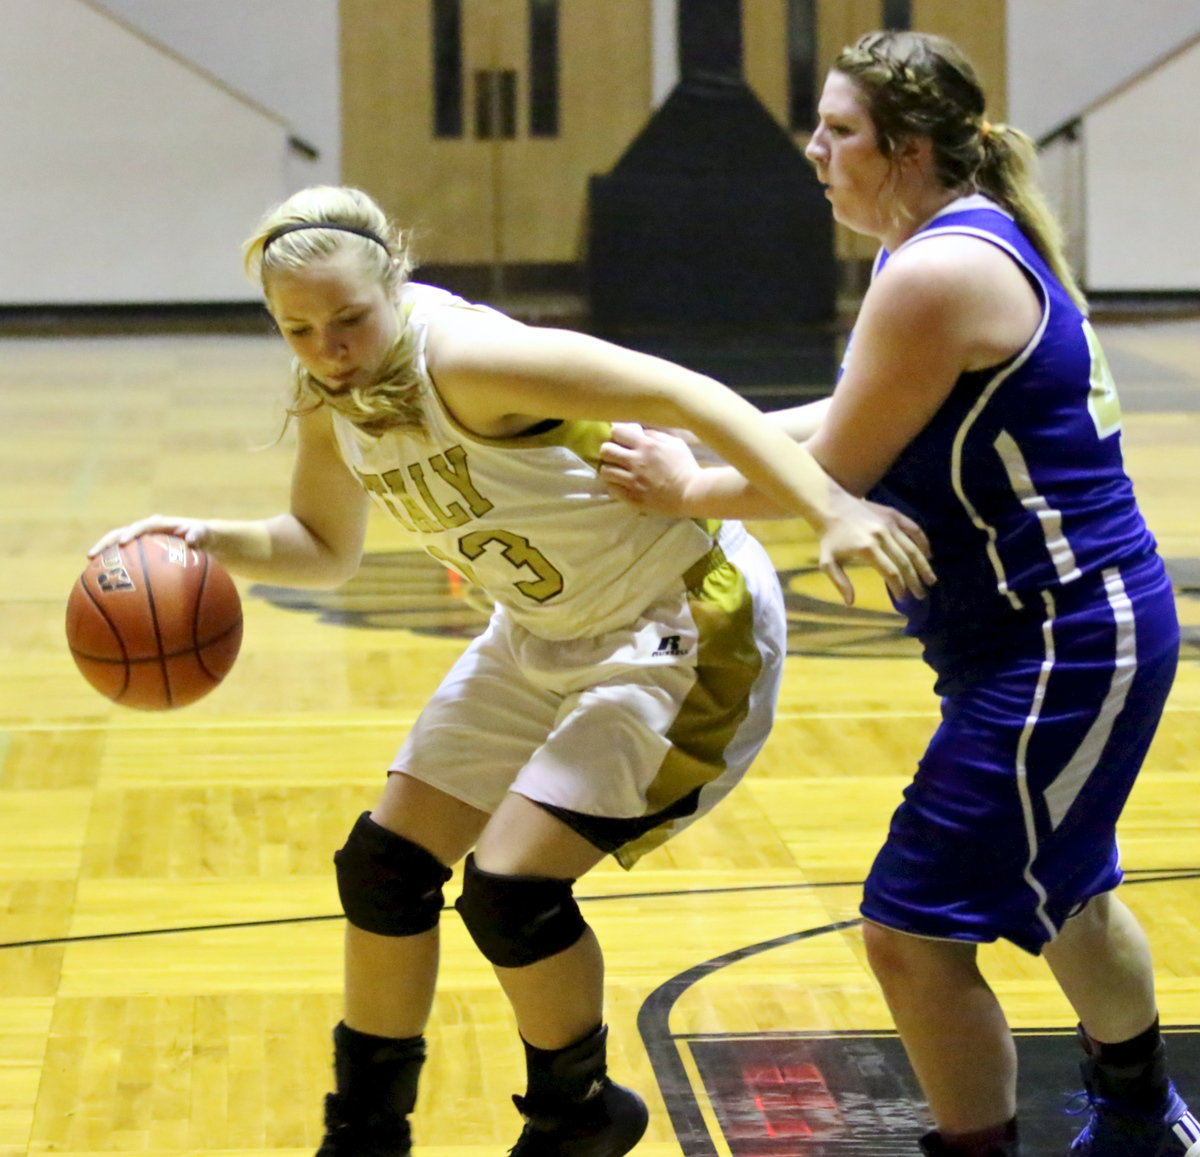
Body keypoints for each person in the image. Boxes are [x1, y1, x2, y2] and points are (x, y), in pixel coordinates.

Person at [88, 184, 932, 1157]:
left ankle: (577, 1114)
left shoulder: (472, 359)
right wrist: (203, 537)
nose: (330, 347)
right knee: (385, 866)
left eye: (350, 319)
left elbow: (683, 393)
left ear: (392, 284)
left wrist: (829, 506)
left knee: (511, 886)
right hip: (541, 631)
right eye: (301, 329)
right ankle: (365, 1130)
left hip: (681, 628)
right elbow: (324, 545)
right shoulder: (331, 394)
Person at [597, 29, 1198, 1157]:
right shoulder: (931, 250)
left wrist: (689, 487)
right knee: (1064, 892)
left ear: (909, 149)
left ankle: (1039, 1137)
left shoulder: (939, 271)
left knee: (910, 928)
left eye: (838, 131)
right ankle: (1143, 1120)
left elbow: (842, 468)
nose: (813, 151)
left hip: (1065, 639)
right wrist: (704, 436)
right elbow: (849, 415)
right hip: (1036, 633)